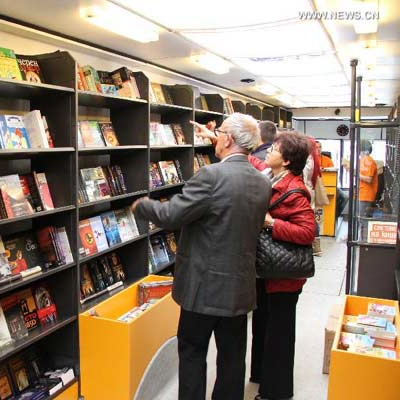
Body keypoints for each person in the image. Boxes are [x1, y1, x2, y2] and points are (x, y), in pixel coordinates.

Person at [133, 113, 271, 400]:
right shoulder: (262, 182)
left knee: (193, 353)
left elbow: (172, 215)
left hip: (202, 288)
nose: (215, 137)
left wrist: (142, 206)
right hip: (239, 289)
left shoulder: (210, 175)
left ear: (229, 139)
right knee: (233, 359)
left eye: (219, 132)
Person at [248, 132, 315, 400]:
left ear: (286, 161)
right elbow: (253, 163)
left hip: (284, 277)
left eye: (274, 149)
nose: (268, 152)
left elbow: (307, 232)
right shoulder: (273, 176)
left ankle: (276, 391)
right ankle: (261, 375)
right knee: (264, 324)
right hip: (269, 271)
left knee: (279, 333)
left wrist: (272, 223)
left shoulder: (295, 190)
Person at [358, 140, 378, 217]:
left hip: (366, 196)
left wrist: (356, 174)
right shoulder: (363, 160)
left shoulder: (368, 161)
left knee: (363, 220)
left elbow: (369, 179)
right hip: (362, 193)